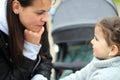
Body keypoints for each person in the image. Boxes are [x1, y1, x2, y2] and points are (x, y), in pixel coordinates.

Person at [0, 0, 53, 80]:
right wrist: (30, 50)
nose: (46, 19)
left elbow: (46, 59)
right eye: (39, 13)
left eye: (47, 11)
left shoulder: (37, 23)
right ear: (16, 7)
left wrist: (40, 77)